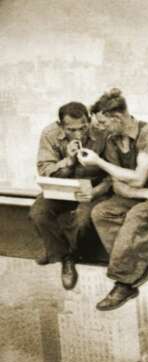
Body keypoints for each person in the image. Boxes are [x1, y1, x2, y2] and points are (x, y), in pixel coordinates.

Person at [78, 89, 148, 311]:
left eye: (103, 123)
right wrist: (145, 194)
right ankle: (147, 260)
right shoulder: (113, 140)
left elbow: (139, 177)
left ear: (118, 117)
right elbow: (118, 184)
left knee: (137, 216)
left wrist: (99, 163)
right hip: (146, 194)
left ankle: (124, 282)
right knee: (101, 213)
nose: (101, 128)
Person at [31, 101, 111, 290]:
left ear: (89, 121)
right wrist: (68, 161)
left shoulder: (103, 133)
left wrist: (95, 192)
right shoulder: (50, 134)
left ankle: (61, 252)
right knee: (38, 213)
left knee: (83, 221)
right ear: (61, 126)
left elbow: (111, 174)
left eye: (83, 128)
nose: (79, 134)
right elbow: (44, 170)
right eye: (71, 130)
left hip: (92, 188)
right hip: (61, 187)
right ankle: (64, 256)